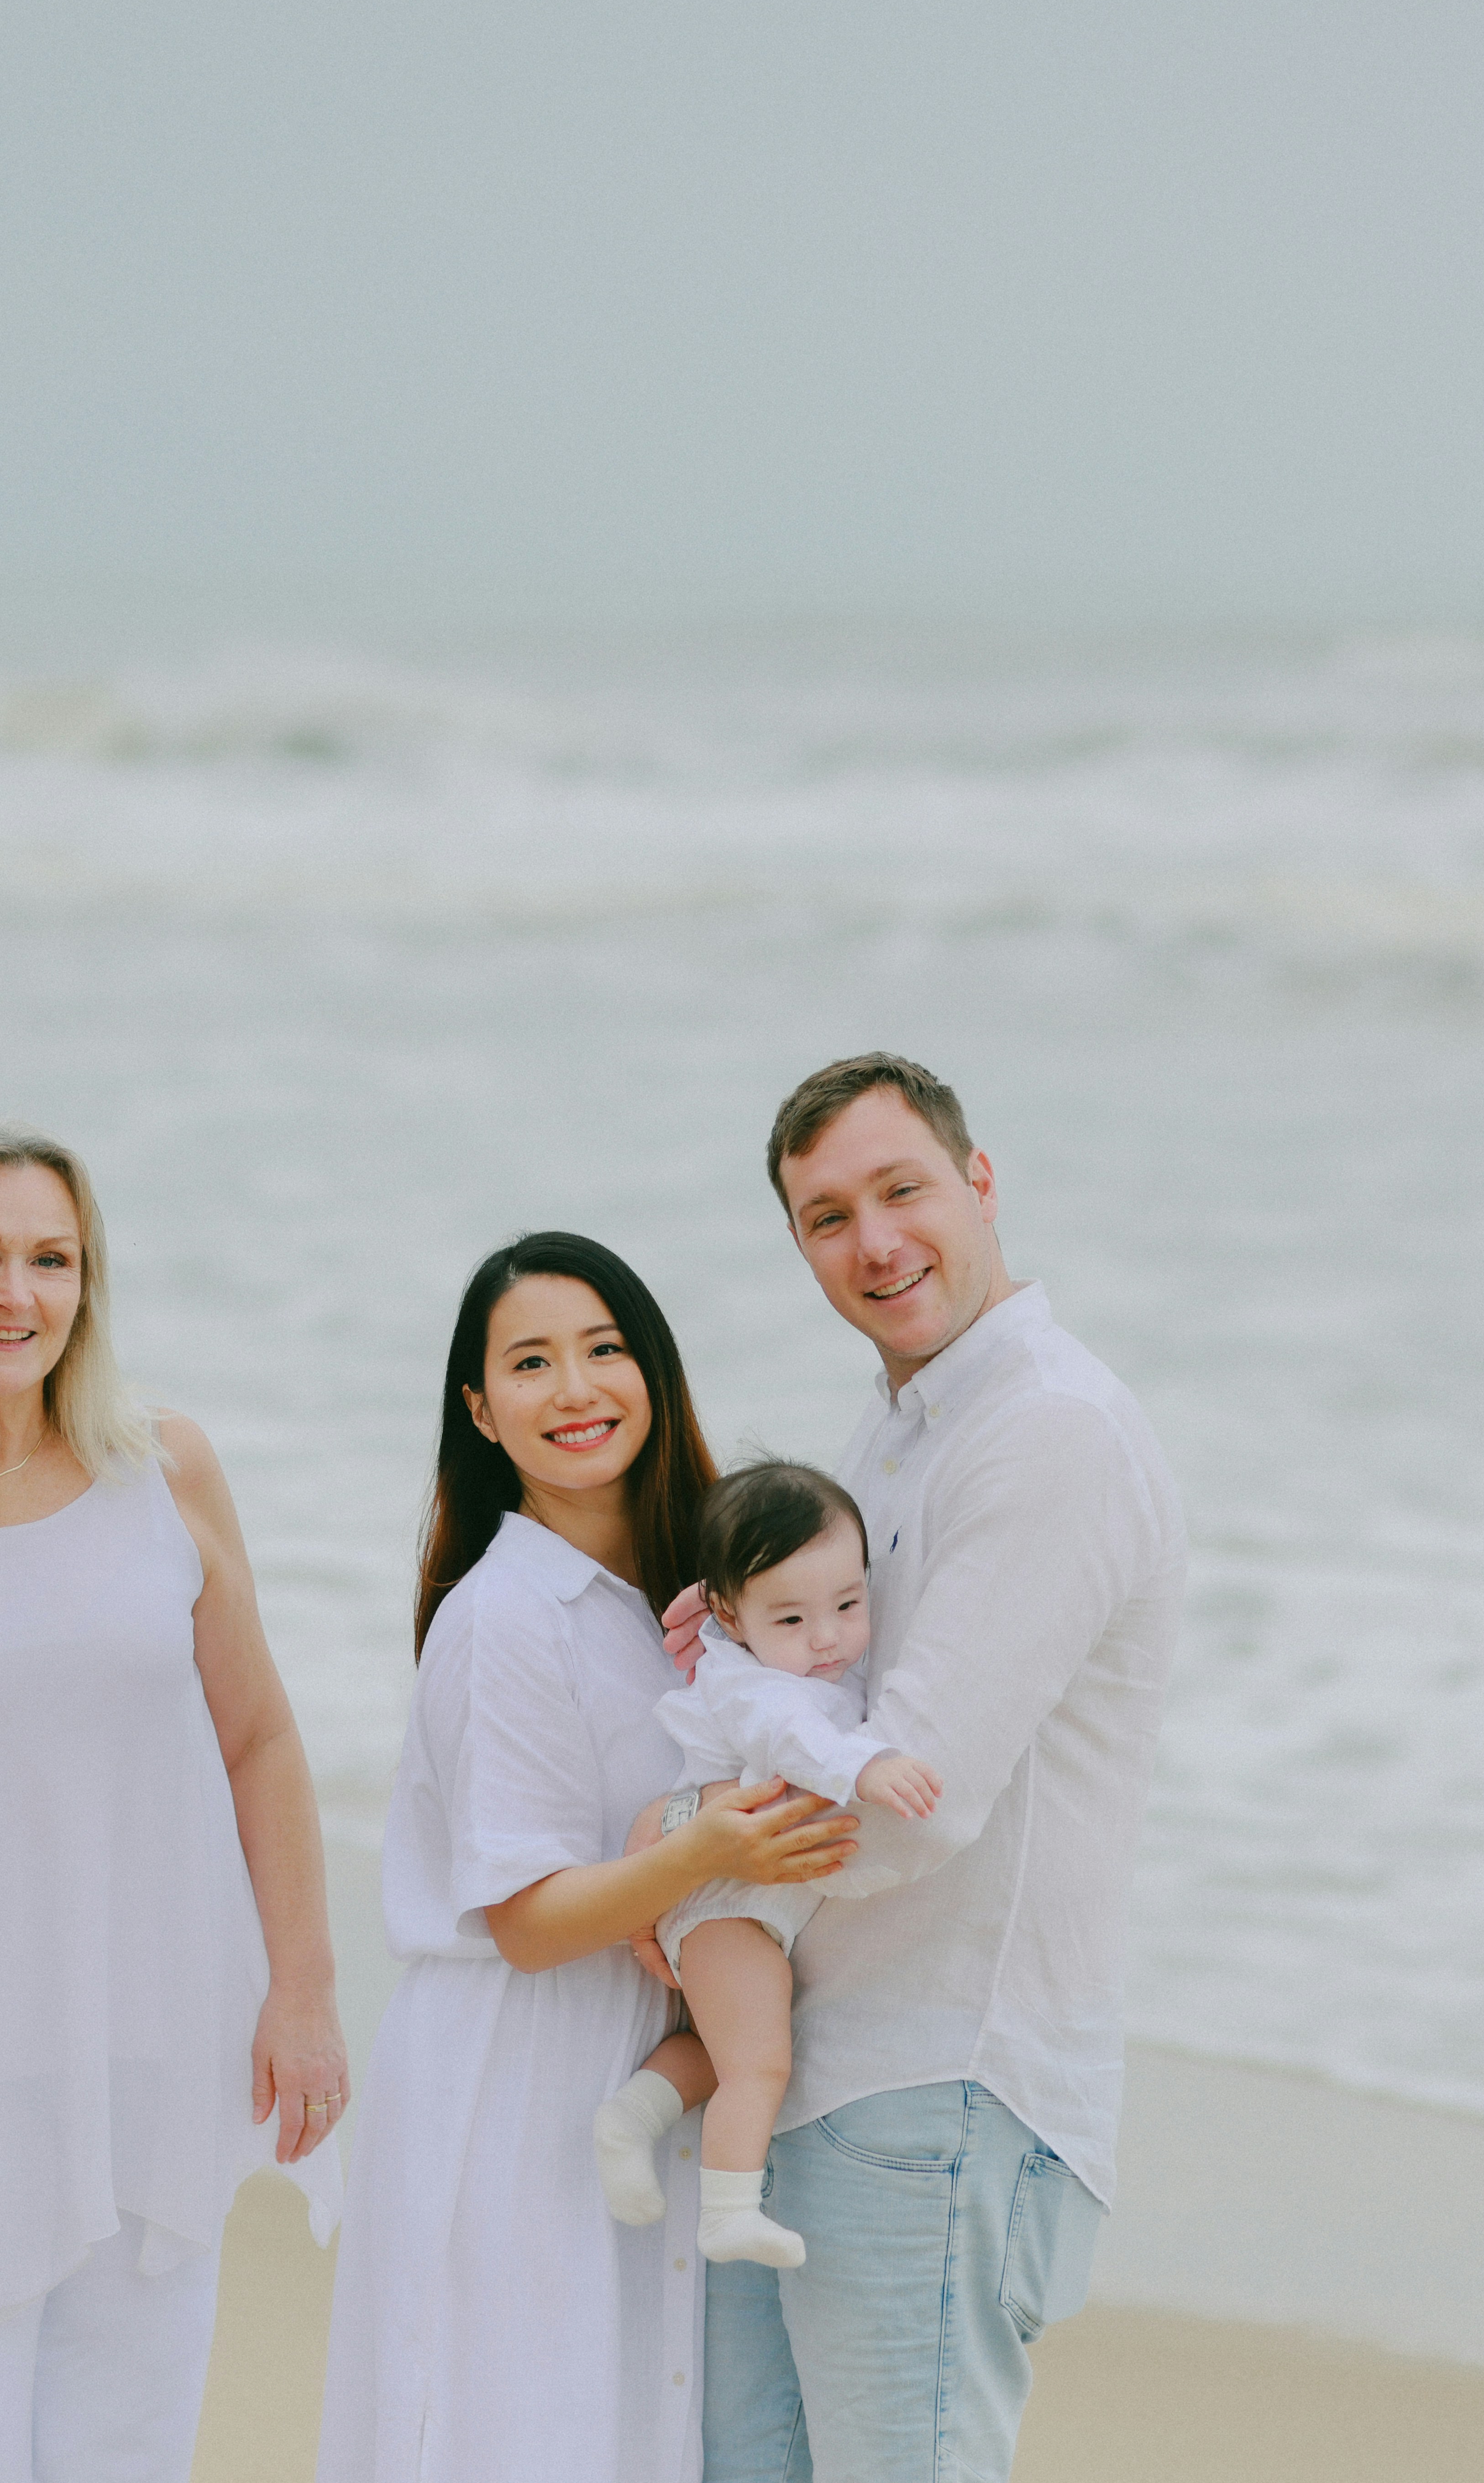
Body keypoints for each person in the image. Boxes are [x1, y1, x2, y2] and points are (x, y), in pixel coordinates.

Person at [0, 1125, 350, 2483]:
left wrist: (306, 1993)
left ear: (87, 1287)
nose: (13, 1294)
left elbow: (261, 1737)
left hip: (151, 2041)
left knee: (127, 2448)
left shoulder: (165, 1468)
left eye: (51, 1259)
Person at [673, 1054, 1186, 2483]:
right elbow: (824, 1694)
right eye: (827, 1217)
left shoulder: (1045, 1433)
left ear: (980, 1183)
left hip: (944, 2083)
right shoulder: (904, 1429)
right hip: (826, 2072)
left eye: (901, 1190)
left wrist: (682, 1868)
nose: (875, 1242)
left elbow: (916, 1804)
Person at [316, 1232, 859, 2483]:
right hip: (513, 2076)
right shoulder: (504, 1616)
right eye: (532, 1363)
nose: (576, 1390)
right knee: (509, 2434)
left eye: (605, 1351)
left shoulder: (698, 1596)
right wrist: (713, 1850)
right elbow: (524, 1920)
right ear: (480, 1409)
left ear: (654, 1371)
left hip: (637, 2070)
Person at [593, 1462, 936, 2270]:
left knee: (729, 2049)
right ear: (727, 1614)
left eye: (849, 1606)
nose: (827, 1639)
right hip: (721, 1891)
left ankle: (631, 2117)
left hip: (745, 1894)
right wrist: (869, 1765)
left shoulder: (794, 1658)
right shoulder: (754, 1688)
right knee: (762, 2060)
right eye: (791, 1619)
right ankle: (728, 2214)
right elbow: (793, 1741)